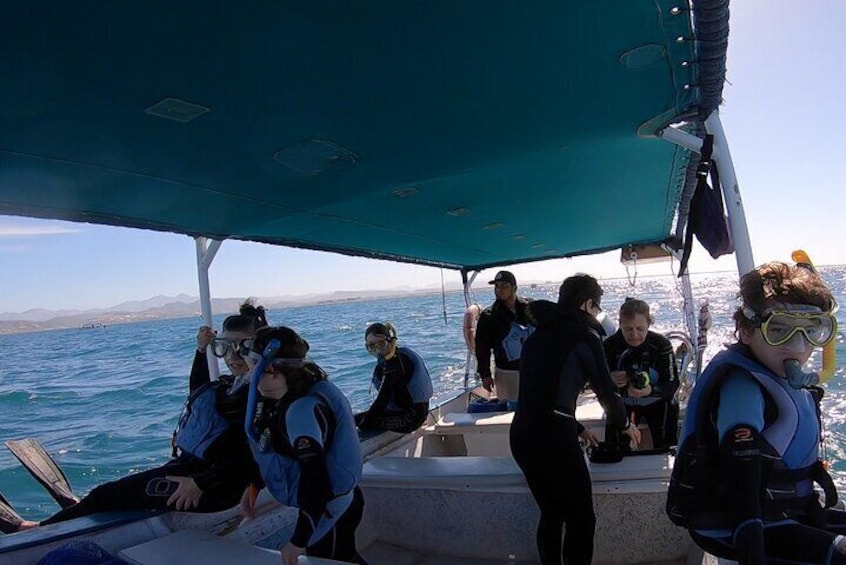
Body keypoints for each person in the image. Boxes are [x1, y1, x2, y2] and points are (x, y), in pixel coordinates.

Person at [3, 301, 267, 531]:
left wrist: (201, 483)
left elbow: (250, 451)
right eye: (224, 347)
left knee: (106, 494)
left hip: (212, 488)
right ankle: (82, 508)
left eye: (243, 348)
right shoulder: (231, 385)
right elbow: (199, 394)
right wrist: (201, 352)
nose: (233, 357)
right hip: (192, 470)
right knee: (116, 491)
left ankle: (35, 530)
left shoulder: (261, 396)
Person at [667, 261, 845, 564]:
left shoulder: (777, 375)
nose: (798, 346)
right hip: (738, 523)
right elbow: (742, 487)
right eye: (779, 330)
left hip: (787, 510)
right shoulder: (742, 386)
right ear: (747, 330)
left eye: (813, 331)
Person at [510, 274, 641, 565]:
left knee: (552, 512)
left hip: (522, 435)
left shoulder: (537, 335)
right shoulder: (585, 335)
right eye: (596, 307)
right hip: (553, 437)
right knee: (582, 519)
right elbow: (606, 392)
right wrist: (625, 425)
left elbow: (540, 394)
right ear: (587, 304)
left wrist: (578, 427)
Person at [242, 326, 366, 565]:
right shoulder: (286, 395)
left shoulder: (301, 412)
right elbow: (272, 444)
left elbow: (315, 481)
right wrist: (256, 484)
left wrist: (298, 541)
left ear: (271, 369)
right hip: (333, 504)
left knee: (336, 559)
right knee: (344, 557)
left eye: (251, 370)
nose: (250, 379)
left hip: (332, 509)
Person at [603, 298, 679, 449]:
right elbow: (596, 383)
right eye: (628, 329)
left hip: (657, 402)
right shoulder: (609, 346)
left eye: (640, 328)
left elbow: (672, 383)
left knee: (666, 443)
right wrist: (610, 379)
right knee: (615, 449)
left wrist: (651, 390)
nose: (635, 335)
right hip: (623, 403)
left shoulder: (660, 344)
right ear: (620, 325)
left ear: (648, 325)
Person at [356, 322, 433, 433]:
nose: (377, 349)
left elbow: (383, 398)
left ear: (390, 341)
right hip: (400, 412)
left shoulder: (398, 362)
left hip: (412, 418)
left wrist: (364, 426)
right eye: (372, 346)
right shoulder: (390, 360)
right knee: (353, 419)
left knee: (365, 423)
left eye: (381, 344)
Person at [474, 270, 533, 407]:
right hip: (508, 372)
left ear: (514, 288)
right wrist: (485, 374)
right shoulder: (489, 316)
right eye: (497, 286)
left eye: (504, 286)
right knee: (514, 409)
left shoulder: (530, 307)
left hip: (534, 368)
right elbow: (482, 348)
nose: (499, 290)